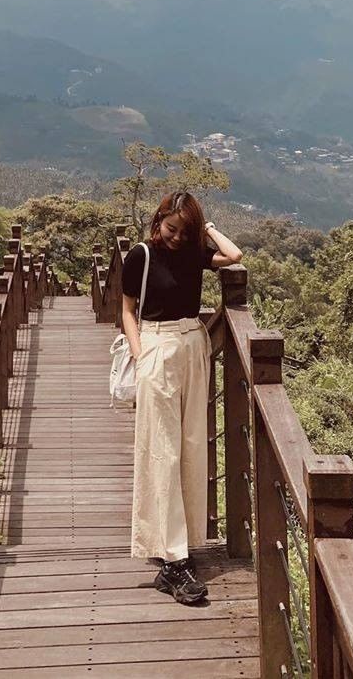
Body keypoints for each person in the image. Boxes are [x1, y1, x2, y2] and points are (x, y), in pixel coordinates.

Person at [120, 189, 244, 605]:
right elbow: (126, 309)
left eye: (182, 230)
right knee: (163, 450)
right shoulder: (140, 255)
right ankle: (172, 558)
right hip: (157, 347)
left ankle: (184, 544)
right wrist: (141, 358)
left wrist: (206, 228)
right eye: (170, 228)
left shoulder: (194, 252)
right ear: (158, 221)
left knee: (192, 447)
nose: (174, 236)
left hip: (194, 345)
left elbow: (235, 255)